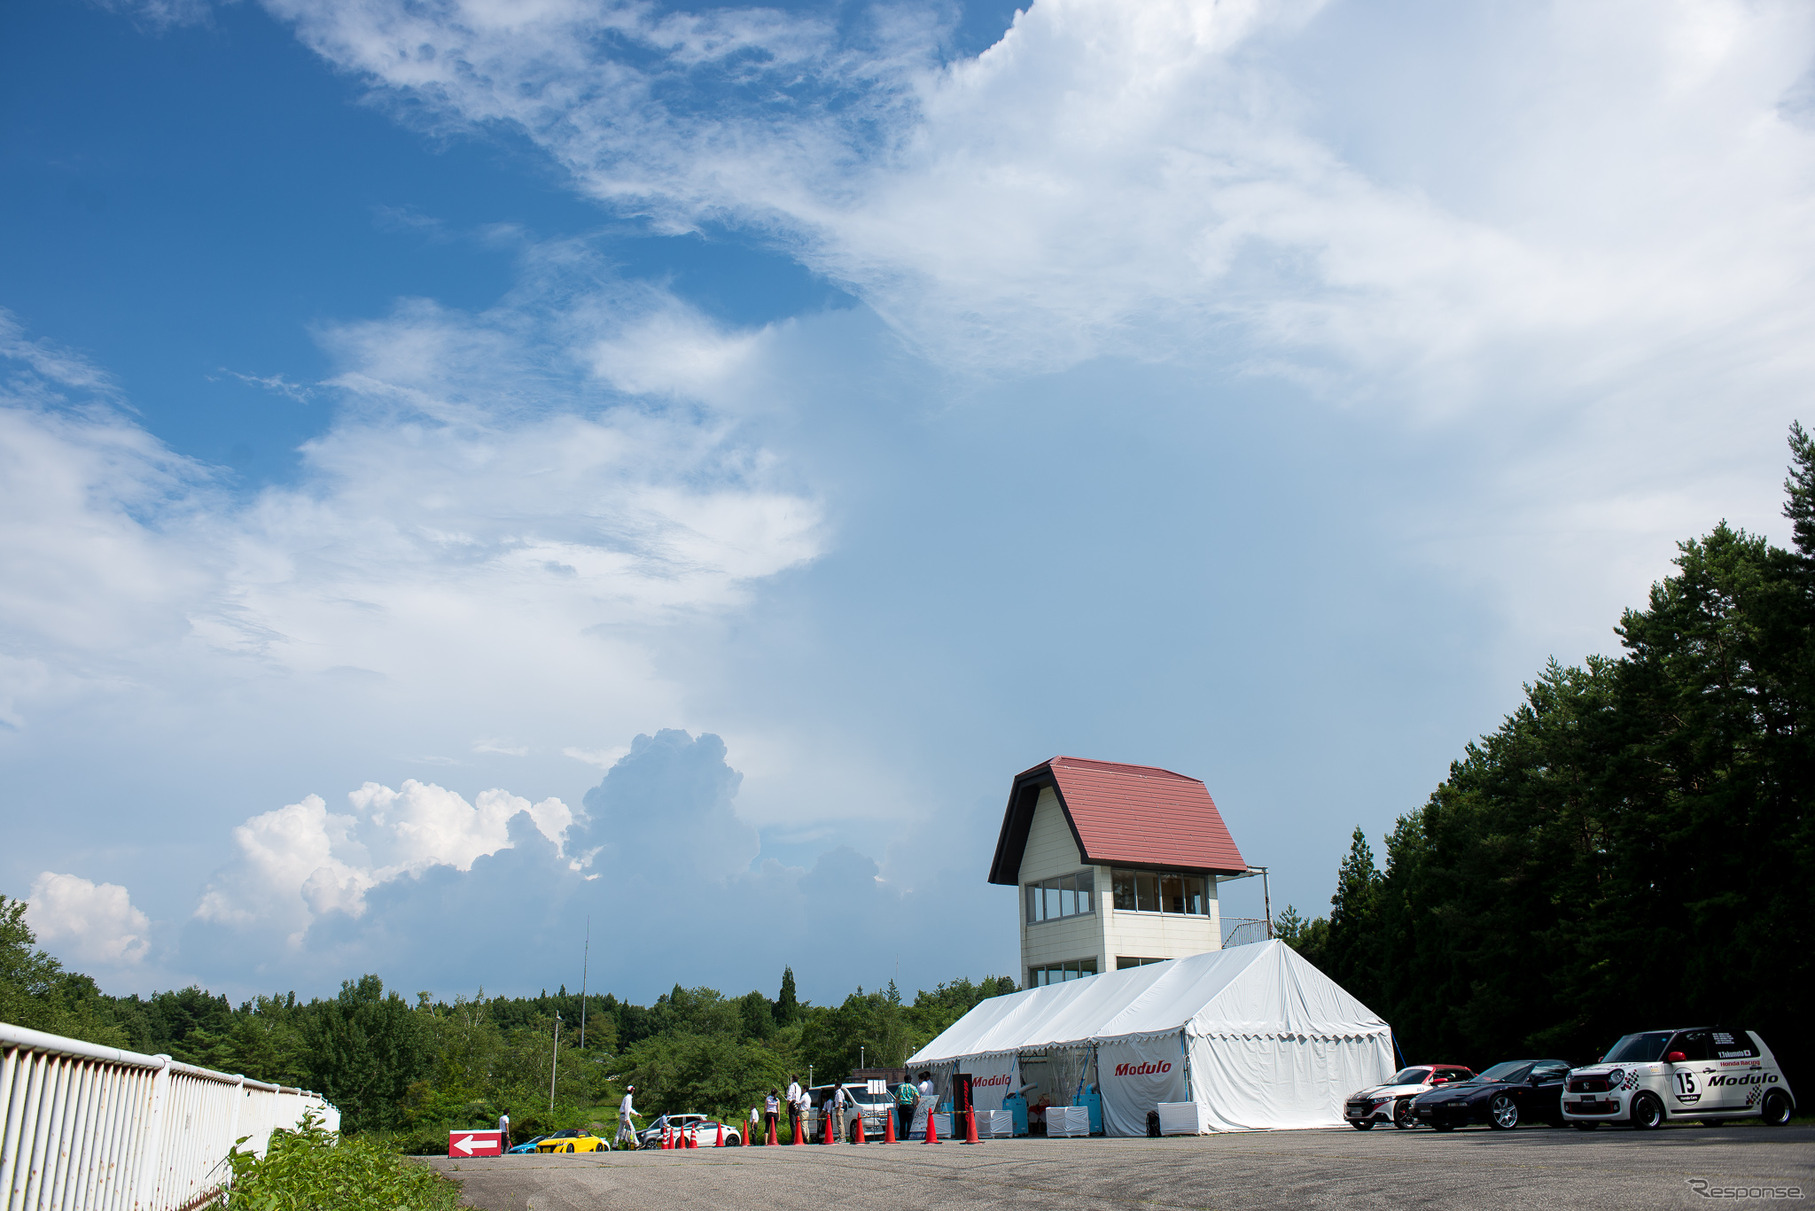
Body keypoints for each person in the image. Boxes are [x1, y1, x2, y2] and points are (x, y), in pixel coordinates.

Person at [617, 1084, 642, 1149]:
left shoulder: (626, 1097)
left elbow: (629, 1108)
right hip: (625, 1116)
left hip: (622, 1115)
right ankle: (636, 1144)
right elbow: (627, 1108)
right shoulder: (628, 1098)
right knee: (632, 1130)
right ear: (631, 1091)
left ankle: (615, 1144)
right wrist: (627, 1118)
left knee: (619, 1131)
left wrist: (636, 1114)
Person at [785, 1074, 803, 1140]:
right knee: (797, 1121)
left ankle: (793, 1138)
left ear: (792, 1079)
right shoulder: (799, 1087)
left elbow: (789, 1098)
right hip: (798, 1104)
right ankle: (799, 1137)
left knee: (792, 1122)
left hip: (792, 1104)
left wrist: (787, 1108)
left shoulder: (792, 1086)